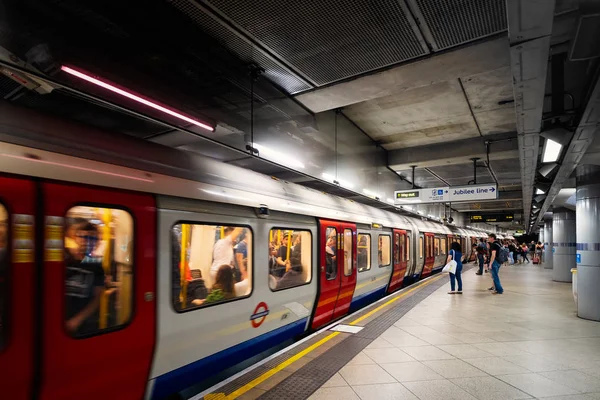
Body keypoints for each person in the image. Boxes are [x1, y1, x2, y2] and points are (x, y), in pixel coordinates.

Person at [64, 220, 105, 335]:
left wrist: (77, 320)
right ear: (75, 238)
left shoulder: (96, 265)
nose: (87, 241)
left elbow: (96, 299)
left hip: (83, 325)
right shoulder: (66, 259)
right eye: (83, 236)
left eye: (92, 238)